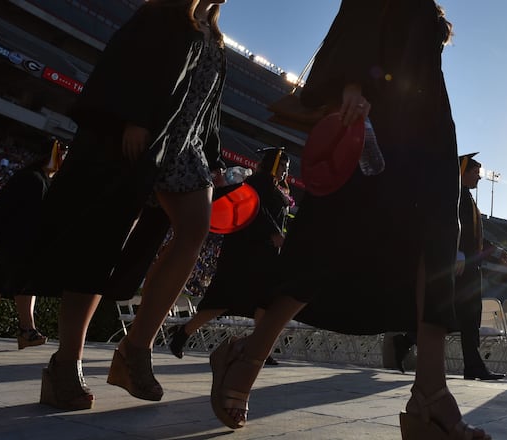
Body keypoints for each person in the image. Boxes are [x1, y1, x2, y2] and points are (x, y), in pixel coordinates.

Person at [207, 2, 491, 439]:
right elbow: (355, 22)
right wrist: (350, 86)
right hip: (376, 119)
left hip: (431, 131)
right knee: (330, 241)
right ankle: (246, 356)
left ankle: (430, 393)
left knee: (435, 246)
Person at [32, 0, 228, 411]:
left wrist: (215, 157)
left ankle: (134, 348)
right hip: (140, 133)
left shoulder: (215, 37)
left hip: (185, 148)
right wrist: (134, 117)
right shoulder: (161, 14)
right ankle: (65, 363)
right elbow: (125, 63)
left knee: (194, 230)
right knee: (101, 242)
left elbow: (207, 108)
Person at [168, 147, 291, 365]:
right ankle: (183, 332)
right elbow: (256, 208)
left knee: (266, 302)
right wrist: (273, 231)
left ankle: (259, 348)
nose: (284, 171)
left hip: (265, 255)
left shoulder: (275, 188)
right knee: (223, 299)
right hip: (244, 252)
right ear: (272, 163)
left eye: (287, 168)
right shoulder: (256, 182)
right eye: (282, 166)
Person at [392, 153, 507, 381]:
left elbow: (474, 235)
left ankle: (409, 340)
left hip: (469, 265)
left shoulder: (465, 198)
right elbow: (449, 227)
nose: (479, 178)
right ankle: (470, 366)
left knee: (463, 319)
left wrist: (494, 250)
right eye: (475, 173)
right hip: (460, 266)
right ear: (462, 174)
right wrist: (458, 252)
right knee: (462, 317)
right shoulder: (454, 197)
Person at [0, 142, 67, 350]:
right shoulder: (30, 177)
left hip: (29, 243)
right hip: (15, 241)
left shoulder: (48, 182)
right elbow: (2, 205)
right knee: (11, 282)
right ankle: (24, 330)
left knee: (10, 283)